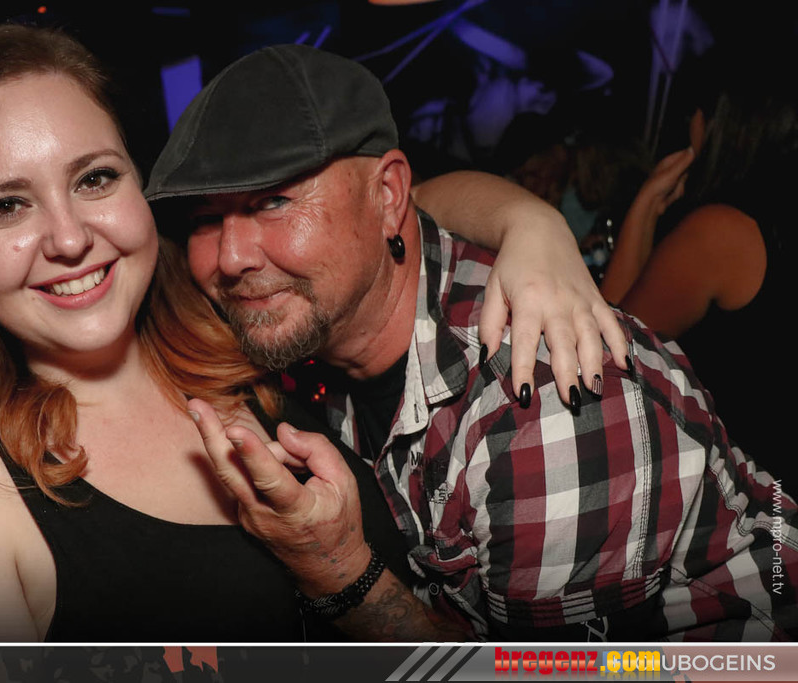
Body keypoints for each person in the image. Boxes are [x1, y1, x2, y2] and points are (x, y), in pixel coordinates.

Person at [0, 25, 615, 642]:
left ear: (140, 195)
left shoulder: (246, 338)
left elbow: (373, 210)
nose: (69, 238)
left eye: (94, 178)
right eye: (4, 206)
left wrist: (530, 223)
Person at [145, 44, 798, 641]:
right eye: (204, 218)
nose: (229, 257)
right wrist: (526, 216)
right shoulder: (321, 328)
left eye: (273, 202)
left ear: (388, 196)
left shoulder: (545, 400)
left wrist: (338, 572)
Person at [599, 49, 797, 494]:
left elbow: (609, 348)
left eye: (693, 114)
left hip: (743, 499)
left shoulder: (721, 232)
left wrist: (644, 205)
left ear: (717, 123)